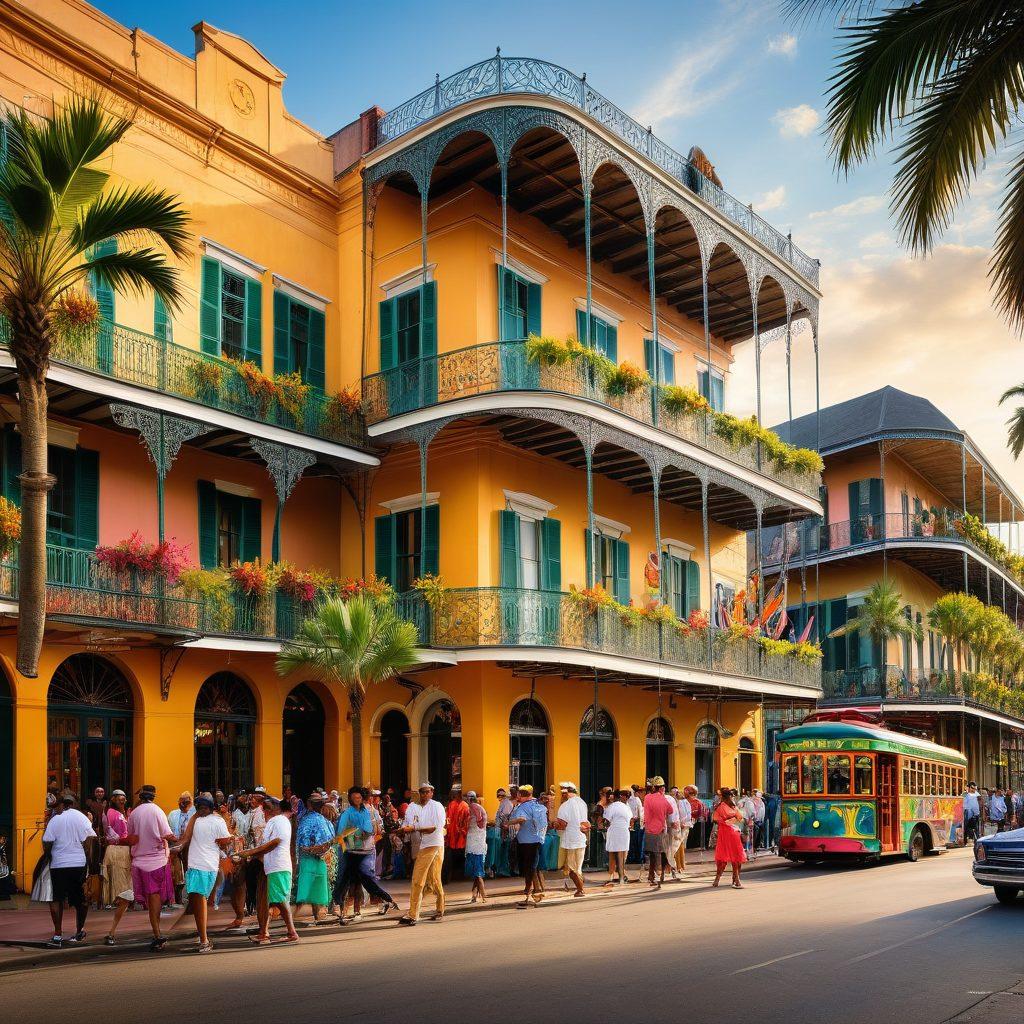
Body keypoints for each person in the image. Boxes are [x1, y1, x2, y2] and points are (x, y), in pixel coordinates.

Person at [175, 794, 232, 952]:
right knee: (198, 902)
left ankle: (204, 940)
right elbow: (187, 837)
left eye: (204, 807)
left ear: (210, 807)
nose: (201, 809)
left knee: (200, 902)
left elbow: (226, 839)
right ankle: (203, 938)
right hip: (198, 866)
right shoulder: (200, 819)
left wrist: (223, 842)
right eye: (199, 806)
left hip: (204, 866)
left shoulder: (211, 820)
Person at [238, 796, 298, 944]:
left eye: (266, 808)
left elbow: (275, 843)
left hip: (278, 866)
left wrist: (249, 853)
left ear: (275, 809)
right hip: (272, 866)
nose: (263, 811)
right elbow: (267, 845)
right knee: (271, 901)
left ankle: (292, 932)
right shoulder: (277, 822)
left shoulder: (278, 821)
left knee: (279, 900)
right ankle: (264, 933)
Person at [334, 786, 398, 923]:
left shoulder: (372, 812)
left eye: (360, 797)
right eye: (355, 797)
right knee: (353, 881)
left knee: (362, 880)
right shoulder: (348, 812)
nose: (358, 799)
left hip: (366, 852)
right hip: (352, 851)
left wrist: (366, 837)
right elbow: (341, 833)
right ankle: (348, 910)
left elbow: (377, 831)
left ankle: (378, 903)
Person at [125, 785, 176, 951]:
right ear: (153, 796)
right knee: (155, 898)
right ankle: (157, 933)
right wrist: (181, 838)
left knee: (151, 898)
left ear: (141, 797)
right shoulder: (158, 811)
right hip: (157, 861)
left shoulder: (134, 813)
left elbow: (132, 838)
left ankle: (157, 932)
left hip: (139, 862)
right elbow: (167, 835)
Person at [41, 793, 95, 947]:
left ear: (62, 804)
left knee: (56, 898)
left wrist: (49, 856)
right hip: (78, 861)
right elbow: (89, 838)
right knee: (80, 898)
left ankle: (58, 934)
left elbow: (47, 842)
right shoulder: (80, 816)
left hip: (59, 864)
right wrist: (86, 857)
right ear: (73, 804)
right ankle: (80, 931)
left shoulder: (55, 819)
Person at [398, 781, 447, 926]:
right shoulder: (413, 807)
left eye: (428, 792)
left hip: (434, 844)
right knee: (434, 879)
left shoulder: (437, 806)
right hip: (422, 844)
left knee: (418, 879)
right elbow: (407, 823)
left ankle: (413, 914)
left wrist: (413, 828)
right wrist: (402, 830)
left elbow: (434, 828)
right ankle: (440, 909)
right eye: (422, 792)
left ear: (432, 792)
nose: (425, 794)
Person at [295, 793, 334, 922]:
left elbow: (300, 842)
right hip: (322, 858)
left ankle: (311, 913)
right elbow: (330, 840)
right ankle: (319, 915)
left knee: (307, 885)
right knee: (319, 885)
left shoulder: (304, 820)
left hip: (307, 857)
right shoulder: (325, 821)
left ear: (309, 804)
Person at [508, 784, 548, 908]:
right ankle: (539, 889)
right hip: (538, 839)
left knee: (528, 867)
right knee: (535, 866)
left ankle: (528, 889)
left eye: (519, 794)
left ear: (521, 795)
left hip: (526, 841)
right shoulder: (538, 805)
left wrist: (508, 823)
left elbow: (521, 820)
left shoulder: (522, 807)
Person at [553, 781, 589, 897]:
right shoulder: (582, 802)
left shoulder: (565, 806)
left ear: (565, 792)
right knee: (578, 867)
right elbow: (584, 822)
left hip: (570, 840)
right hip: (580, 838)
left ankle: (580, 889)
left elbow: (562, 824)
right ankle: (580, 889)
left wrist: (554, 825)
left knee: (571, 868)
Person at [100, 790, 132, 910]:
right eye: (119, 799)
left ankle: (124, 899)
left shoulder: (123, 813)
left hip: (124, 848)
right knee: (116, 874)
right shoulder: (111, 812)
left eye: (124, 799)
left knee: (124, 875)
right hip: (116, 848)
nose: (122, 801)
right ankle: (116, 899)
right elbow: (111, 832)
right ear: (113, 799)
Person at [642, 776, 675, 888]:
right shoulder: (663, 799)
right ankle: (657, 876)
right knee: (658, 854)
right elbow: (671, 811)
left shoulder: (647, 798)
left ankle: (652, 876)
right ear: (661, 788)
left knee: (652, 854)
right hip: (660, 830)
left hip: (648, 830)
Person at [712, 787, 747, 889]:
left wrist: (725, 821)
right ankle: (736, 880)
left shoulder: (719, 807)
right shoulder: (733, 806)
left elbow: (715, 819)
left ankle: (717, 880)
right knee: (736, 856)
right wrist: (732, 820)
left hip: (724, 833)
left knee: (722, 857)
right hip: (734, 832)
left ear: (722, 796)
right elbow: (740, 818)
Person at [167, 792, 195, 906]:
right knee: (176, 871)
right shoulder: (173, 814)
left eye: (186, 802)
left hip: (190, 846)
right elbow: (168, 829)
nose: (183, 804)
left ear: (191, 803)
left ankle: (191, 895)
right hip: (175, 844)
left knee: (190, 869)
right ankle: (177, 898)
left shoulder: (195, 814)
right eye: (181, 801)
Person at [602, 789, 634, 886]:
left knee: (613, 855)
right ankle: (621, 876)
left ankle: (614, 877)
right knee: (623, 855)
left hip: (614, 833)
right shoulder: (626, 807)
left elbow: (606, 821)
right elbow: (631, 819)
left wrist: (606, 826)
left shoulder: (611, 807)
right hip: (624, 832)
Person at [464, 791, 488, 903]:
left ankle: (484, 897)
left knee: (478, 873)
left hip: (475, 844)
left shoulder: (473, 808)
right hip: (479, 843)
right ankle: (474, 896)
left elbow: (479, 823)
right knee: (476, 872)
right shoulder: (478, 807)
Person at [443, 786, 469, 884]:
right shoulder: (451, 805)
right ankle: (453, 875)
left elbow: (466, 820)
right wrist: (448, 829)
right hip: (452, 835)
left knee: (460, 855)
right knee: (452, 856)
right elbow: (447, 818)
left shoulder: (465, 806)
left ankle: (460, 875)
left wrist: (462, 831)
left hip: (460, 836)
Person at [627, 784, 644, 863]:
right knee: (633, 841)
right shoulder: (634, 799)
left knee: (634, 841)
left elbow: (640, 812)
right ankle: (634, 857)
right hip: (633, 821)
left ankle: (634, 857)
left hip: (633, 821)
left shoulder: (634, 799)